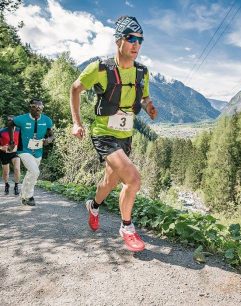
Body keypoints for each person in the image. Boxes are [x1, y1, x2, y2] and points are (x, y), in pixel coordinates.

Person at [70, 16, 157, 252]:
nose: (136, 44)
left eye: (140, 40)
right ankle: (127, 228)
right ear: (119, 40)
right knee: (133, 179)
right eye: (131, 38)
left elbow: (144, 96)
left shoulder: (142, 72)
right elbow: (75, 89)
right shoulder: (100, 68)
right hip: (103, 134)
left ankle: (94, 206)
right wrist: (76, 123)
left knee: (110, 181)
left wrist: (148, 106)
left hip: (125, 135)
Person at [8, 99, 54, 206]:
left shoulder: (47, 120)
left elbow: (51, 134)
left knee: (31, 173)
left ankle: (23, 196)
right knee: (35, 171)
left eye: (40, 107)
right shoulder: (22, 119)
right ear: (30, 107)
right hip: (24, 150)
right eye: (35, 106)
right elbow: (11, 124)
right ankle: (29, 196)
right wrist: (11, 141)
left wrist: (49, 140)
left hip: (38, 151)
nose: (38, 108)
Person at [0, 116, 21, 195]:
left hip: (15, 153)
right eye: (8, 120)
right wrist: (2, 147)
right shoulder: (1, 131)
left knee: (17, 169)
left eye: (11, 120)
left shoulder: (19, 130)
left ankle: (16, 186)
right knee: (5, 172)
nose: (10, 122)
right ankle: (6, 185)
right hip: (4, 153)